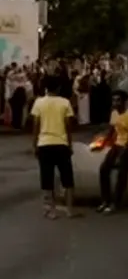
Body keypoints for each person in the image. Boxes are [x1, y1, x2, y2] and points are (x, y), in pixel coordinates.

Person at [30, 75, 78, 219]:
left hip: (44, 144)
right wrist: (70, 144)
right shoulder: (65, 102)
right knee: (67, 178)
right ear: (58, 87)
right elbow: (68, 126)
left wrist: (34, 144)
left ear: (45, 87)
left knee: (46, 178)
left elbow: (36, 125)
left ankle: (50, 210)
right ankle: (69, 210)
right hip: (61, 143)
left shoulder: (39, 103)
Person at [97, 90, 128, 214]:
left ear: (124, 102)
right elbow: (112, 131)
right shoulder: (114, 114)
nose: (115, 103)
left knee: (122, 171)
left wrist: (122, 153)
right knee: (103, 169)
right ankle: (105, 200)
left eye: (118, 100)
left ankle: (115, 203)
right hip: (118, 144)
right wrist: (103, 143)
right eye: (114, 100)